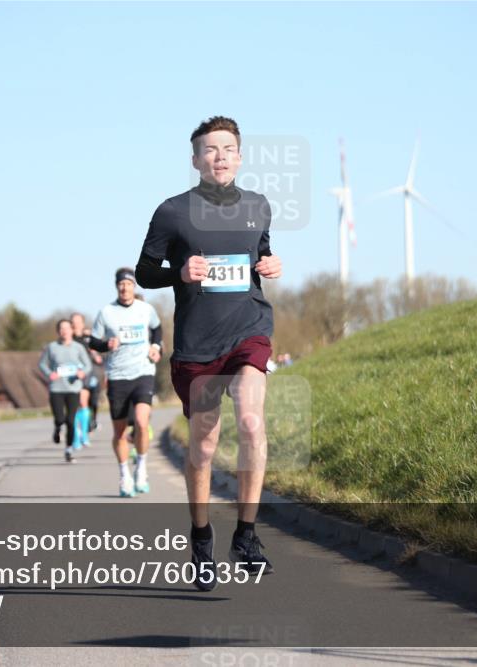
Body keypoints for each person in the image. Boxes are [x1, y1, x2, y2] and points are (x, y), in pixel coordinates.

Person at [135, 116, 283, 590]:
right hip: (197, 345)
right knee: (203, 445)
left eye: (228, 149)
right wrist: (178, 273)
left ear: (240, 157)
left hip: (248, 331)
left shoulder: (258, 206)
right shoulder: (173, 212)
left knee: (252, 421)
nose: (219, 156)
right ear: (196, 159)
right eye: (210, 150)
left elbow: (260, 255)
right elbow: (144, 272)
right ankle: (201, 537)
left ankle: (246, 535)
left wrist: (270, 264)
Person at [88, 268, 163, 498]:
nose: (125, 288)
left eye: (129, 284)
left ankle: (141, 467)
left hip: (143, 372)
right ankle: (124, 474)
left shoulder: (145, 309)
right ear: (116, 286)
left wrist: (156, 347)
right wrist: (106, 345)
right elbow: (93, 341)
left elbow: (157, 328)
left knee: (141, 422)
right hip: (117, 376)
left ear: (134, 287)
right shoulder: (106, 312)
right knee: (119, 432)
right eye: (121, 284)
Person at [37, 319, 92, 463]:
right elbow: (42, 364)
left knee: (71, 421)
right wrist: (50, 374)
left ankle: (69, 449)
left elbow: (88, 365)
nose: (64, 331)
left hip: (73, 388)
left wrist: (82, 373)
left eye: (67, 328)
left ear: (72, 330)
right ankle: (57, 428)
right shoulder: (52, 347)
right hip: (56, 388)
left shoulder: (78, 347)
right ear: (58, 331)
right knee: (60, 419)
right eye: (61, 328)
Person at [70, 312, 104, 446]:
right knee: (76, 404)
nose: (75, 324)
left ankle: (87, 427)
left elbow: (98, 353)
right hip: (73, 374)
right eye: (73, 322)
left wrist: (96, 355)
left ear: (82, 323)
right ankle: (78, 432)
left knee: (89, 402)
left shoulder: (88, 338)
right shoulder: (68, 338)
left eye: (78, 322)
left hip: (88, 373)